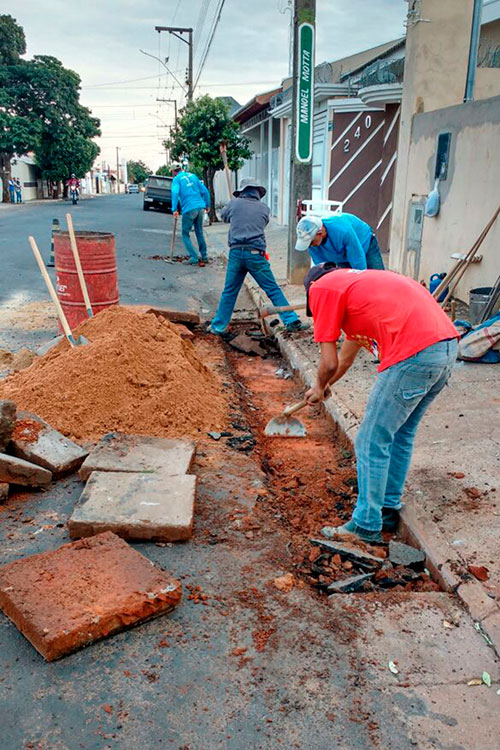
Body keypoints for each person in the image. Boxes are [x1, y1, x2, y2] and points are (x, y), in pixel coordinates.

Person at [304, 264, 459, 543]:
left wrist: (318, 384)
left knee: (370, 440)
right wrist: (325, 386)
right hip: (445, 348)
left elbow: (328, 361)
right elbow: (345, 360)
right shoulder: (358, 290)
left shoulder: (322, 289)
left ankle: (365, 524)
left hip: (414, 353)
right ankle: (386, 508)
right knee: (400, 434)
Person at [209, 178, 309, 335]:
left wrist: (233, 206)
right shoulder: (264, 208)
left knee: (229, 291)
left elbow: (223, 217)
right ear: (257, 192)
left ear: (242, 191)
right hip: (256, 254)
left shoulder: (234, 204)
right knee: (272, 289)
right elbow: (262, 223)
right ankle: (291, 320)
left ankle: (218, 327)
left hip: (236, 253)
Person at [295, 213, 385, 270]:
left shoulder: (343, 231)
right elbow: (324, 268)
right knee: (345, 282)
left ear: (319, 233)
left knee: (377, 277)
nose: (311, 246)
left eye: (311, 242)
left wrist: (360, 280)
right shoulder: (313, 243)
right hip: (341, 254)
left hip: (364, 241)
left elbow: (358, 260)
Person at [171, 161, 210, 266]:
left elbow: (175, 192)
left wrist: (174, 209)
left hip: (189, 208)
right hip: (200, 207)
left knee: (185, 234)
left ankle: (194, 257)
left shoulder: (176, 179)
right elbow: (205, 191)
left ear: (173, 171)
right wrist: (207, 205)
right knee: (199, 231)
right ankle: (204, 255)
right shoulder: (193, 176)